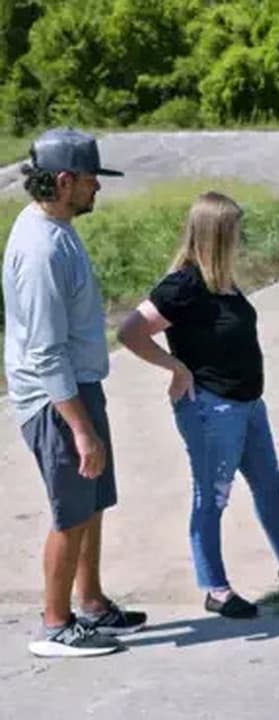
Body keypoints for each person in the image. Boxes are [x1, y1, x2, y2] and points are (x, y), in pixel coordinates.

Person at [116, 191, 279, 620]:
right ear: (216, 233)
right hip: (211, 408)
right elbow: (131, 331)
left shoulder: (223, 281)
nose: (241, 237)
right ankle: (215, 586)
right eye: (235, 229)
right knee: (211, 496)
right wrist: (175, 368)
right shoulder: (183, 285)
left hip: (248, 404)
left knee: (269, 483)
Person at [3, 128, 147, 658]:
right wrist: (80, 427)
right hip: (56, 400)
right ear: (64, 181)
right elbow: (44, 352)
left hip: (80, 388)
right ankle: (56, 624)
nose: (97, 189)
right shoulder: (41, 250)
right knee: (70, 513)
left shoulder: (55, 224)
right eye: (90, 180)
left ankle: (90, 603)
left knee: (92, 504)